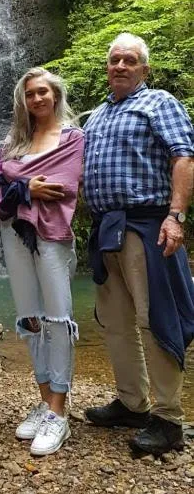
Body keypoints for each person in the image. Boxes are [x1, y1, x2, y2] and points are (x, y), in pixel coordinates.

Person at [83, 32, 194, 456]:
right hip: (104, 228)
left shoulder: (159, 102)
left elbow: (183, 156)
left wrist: (175, 216)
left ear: (144, 69)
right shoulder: (96, 115)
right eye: (114, 60)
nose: (120, 66)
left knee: (155, 319)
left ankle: (169, 420)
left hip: (147, 225)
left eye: (130, 60)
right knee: (115, 321)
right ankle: (133, 403)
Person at [0, 67, 84, 456]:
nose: (36, 99)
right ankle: (45, 401)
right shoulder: (15, 141)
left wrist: (16, 178)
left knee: (58, 318)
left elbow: (65, 185)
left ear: (55, 95)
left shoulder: (73, 138)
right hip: (15, 233)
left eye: (42, 92)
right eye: (30, 94)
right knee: (30, 316)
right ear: (23, 100)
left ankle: (59, 413)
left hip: (52, 235)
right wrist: (26, 184)